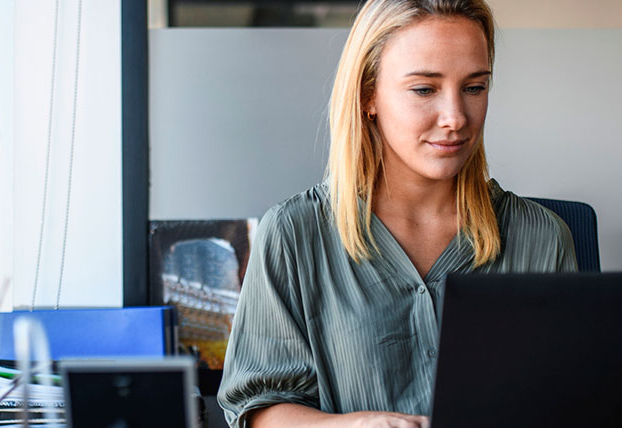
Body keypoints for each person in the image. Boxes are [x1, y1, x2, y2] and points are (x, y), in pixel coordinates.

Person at [216, 1, 577, 427]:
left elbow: (575, 397)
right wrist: (351, 426)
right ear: (369, 95)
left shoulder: (543, 237)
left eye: (474, 88)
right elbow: (257, 408)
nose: (456, 118)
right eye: (424, 89)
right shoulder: (295, 234)